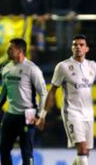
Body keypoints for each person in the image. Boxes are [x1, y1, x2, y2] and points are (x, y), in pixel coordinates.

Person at [36, 35, 95, 165]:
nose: (78, 47)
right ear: (71, 48)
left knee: (85, 152)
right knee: (82, 149)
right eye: (75, 45)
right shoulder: (63, 66)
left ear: (87, 49)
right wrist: (42, 116)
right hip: (72, 113)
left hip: (88, 114)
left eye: (81, 45)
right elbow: (52, 92)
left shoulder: (93, 66)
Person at [0, 38, 47, 165]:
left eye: (11, 48)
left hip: (28, 114)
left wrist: (40, 116)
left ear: (20, 51)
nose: (7, 51)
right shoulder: (7, 68)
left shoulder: (32, 69)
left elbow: (43, 93)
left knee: (26, 151)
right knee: (3, 149)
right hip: (10, 115)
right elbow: (3, 94)